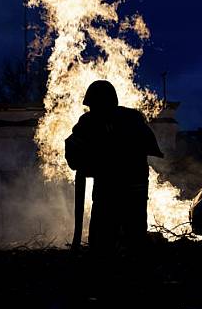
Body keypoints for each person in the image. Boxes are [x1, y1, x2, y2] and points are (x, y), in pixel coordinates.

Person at [65, 80, 163, 255]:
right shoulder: (91, 121)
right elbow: (74, 145)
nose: (92, 110)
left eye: (95, 105)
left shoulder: (130, 121)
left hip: (129, 190)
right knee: (105, 240)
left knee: (129, 238)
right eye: (91, 106)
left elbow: (141, 147)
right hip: (113, 191)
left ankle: (132, 274)